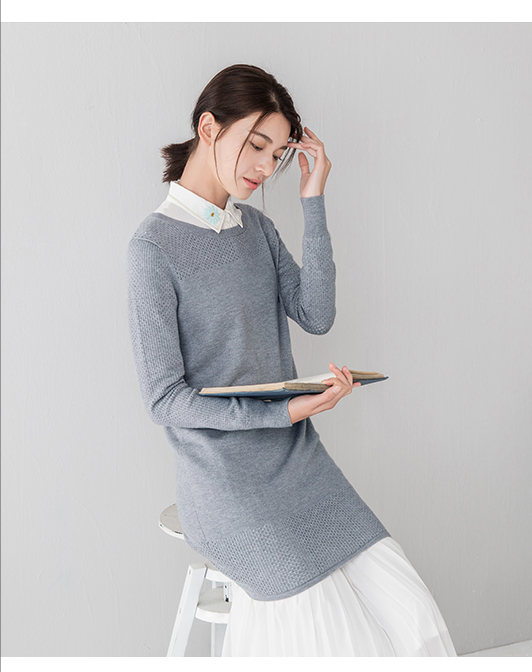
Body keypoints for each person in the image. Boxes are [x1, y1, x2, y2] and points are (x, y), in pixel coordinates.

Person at [126, 64, 456, 656]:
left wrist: (313, 199)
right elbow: (164, 399)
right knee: (330, 635)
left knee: (411, 612)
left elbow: (316, 314)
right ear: (209, 127)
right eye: (256, 145)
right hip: (224, 482)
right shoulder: (153, 248)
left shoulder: (256, 228)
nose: (264, 167)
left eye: (278, 154)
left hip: (300, 464)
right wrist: (284, 412)